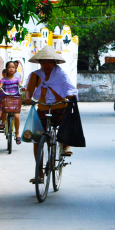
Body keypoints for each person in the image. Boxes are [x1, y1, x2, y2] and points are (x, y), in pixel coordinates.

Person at [24, 45, 78, 183]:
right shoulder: (35, 76)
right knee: (37, 139)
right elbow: (28, 90)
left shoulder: (61, 75)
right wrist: (27, 97)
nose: (46, 64)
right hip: (42, 108)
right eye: (43, 62)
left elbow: (69, 88)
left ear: (54, 62)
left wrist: (71, 95)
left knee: (66, 124)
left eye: (49, 61)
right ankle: (39, 173)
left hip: (59, 107)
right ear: (40, 63)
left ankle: (65, 144)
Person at [0, 61, 23, 144]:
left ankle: (17, 133)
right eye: (9, 67)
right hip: (6, 99)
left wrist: (23, 88)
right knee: (4, 110)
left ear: (15, 69)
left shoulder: (17, 79)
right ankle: (3, 122)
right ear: (6, 69)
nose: (11, 69)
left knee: (16, 116)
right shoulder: (3, 80)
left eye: (13, 67)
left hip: (15, 99)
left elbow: (20, 85)